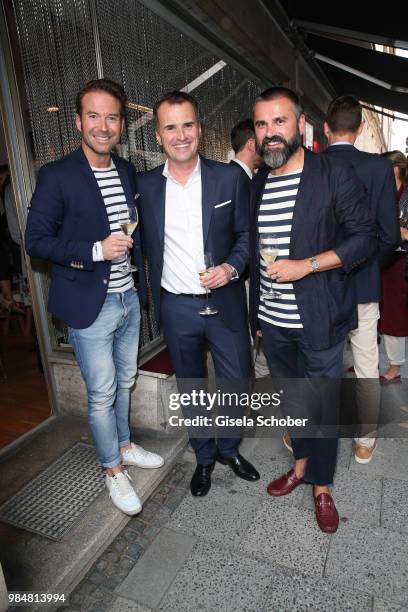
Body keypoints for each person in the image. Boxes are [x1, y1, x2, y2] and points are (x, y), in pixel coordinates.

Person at [25, 79, 164, 516]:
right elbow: (36, 241)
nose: (103, 126)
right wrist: (94, 251)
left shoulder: (124, 171)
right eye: (94, 116)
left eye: (111, 117)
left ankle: (123, 445)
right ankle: (111, 470)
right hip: (90, 305)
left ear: (121, 123)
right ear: (78, 121)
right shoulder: (56, 175)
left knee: (125, 382)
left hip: (127, 298)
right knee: (102, 392)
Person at [249, 87, 376, 533]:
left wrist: (308, 265)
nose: (270, 133)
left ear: (300, 125)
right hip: (274, 320)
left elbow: (365, 238)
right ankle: (301, 466)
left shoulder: (332, 174)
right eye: (262, 124)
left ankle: (322, 487)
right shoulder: (258, 181)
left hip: (319, 318)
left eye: (279, 122)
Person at [137, 90, 259, 498]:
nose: (181, 134)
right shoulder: (146, 187)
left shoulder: (229, 177)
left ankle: (229, 448)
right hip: (177, 307)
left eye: (188, 124)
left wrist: (231, 267)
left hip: (224, 301)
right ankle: (204, 457)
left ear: (199, 129)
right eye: (171, 127)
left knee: (236, 380)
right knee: (190, 387)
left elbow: (246, 236)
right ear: (158, 135)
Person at [323, 95, 400, 464]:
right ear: (361, 128)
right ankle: (365, 439)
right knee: (368, 362)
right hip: (364, 284)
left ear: (325, 127)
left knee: (320, 361)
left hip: (319, 284)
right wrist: (367, 266)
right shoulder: (379, 169)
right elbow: (389, 235)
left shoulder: (313, 165)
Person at [230, 119, 268, 379]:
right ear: (252, 143)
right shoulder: (237, 179)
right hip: (240, 276)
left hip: (240, 275)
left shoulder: (244, 178)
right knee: (244, 336)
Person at [378, 150, 408, 385]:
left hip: (399, 264)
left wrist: (398, 231)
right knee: (381, 313)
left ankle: (395, 367)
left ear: (395, 169)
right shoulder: (385, 193)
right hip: (383, 260)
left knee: (394, 315)